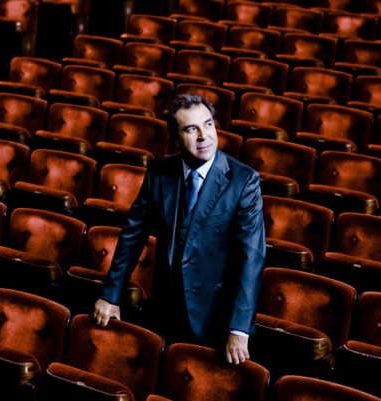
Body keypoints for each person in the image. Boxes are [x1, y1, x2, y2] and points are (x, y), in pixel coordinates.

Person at [92, 94, 266, 364]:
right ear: (175, 139)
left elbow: (251, 258)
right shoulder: (158, 172)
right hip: (164, 308)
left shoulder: (244, 180)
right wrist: (110, 295)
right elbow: (132, 236)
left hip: (215, 318)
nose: (203, 136)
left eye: (208, 125)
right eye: (191, 129)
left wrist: (239, 329)